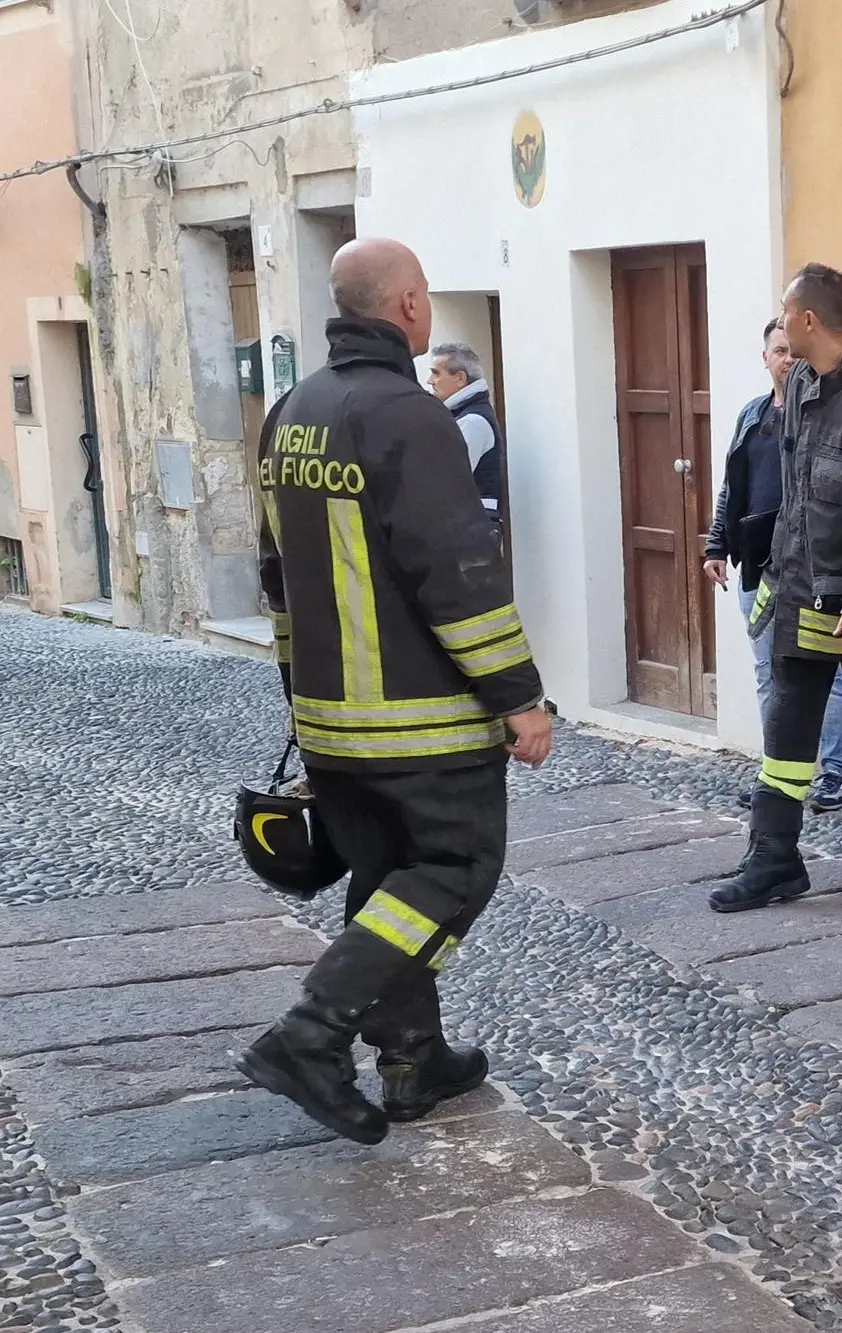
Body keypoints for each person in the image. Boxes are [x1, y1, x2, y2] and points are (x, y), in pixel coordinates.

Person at [240, 237, 553, 1146]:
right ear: (410, 304)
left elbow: (275, 571)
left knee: (386, 881)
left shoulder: (292, 412)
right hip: (423, 722)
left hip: (330, 718)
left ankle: (414, 1057)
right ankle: (310, 1033)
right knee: (454, 869)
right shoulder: (411, 416)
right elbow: (457, 570)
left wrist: (300, 692)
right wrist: (519, 696)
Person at [708, 264, 842, 918]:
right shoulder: (801, 384)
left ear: (808, 320)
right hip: (800, 604)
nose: (780, 323)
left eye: (786, 313)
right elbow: (796, 501)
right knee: (786, 740)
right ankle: (775, 860)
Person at [703, 318, 842, 813]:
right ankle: (780, 775)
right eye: (779, 351)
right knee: (770, 672)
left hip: (811, 569)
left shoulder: (824, 415)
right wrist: (716, 544)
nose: (788, 359)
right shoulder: (752, 415)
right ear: (765, 358)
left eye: (794, 350)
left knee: (826, 672)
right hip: (758, 569)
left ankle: (835, 772)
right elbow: (733, 485)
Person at [426, 343, 504, 520]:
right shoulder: (465, 416)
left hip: (471, 523)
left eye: (436, 373)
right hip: (471, 522)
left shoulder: (472, 422)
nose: (430, 380)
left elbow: (446, 481)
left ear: (460, 378)